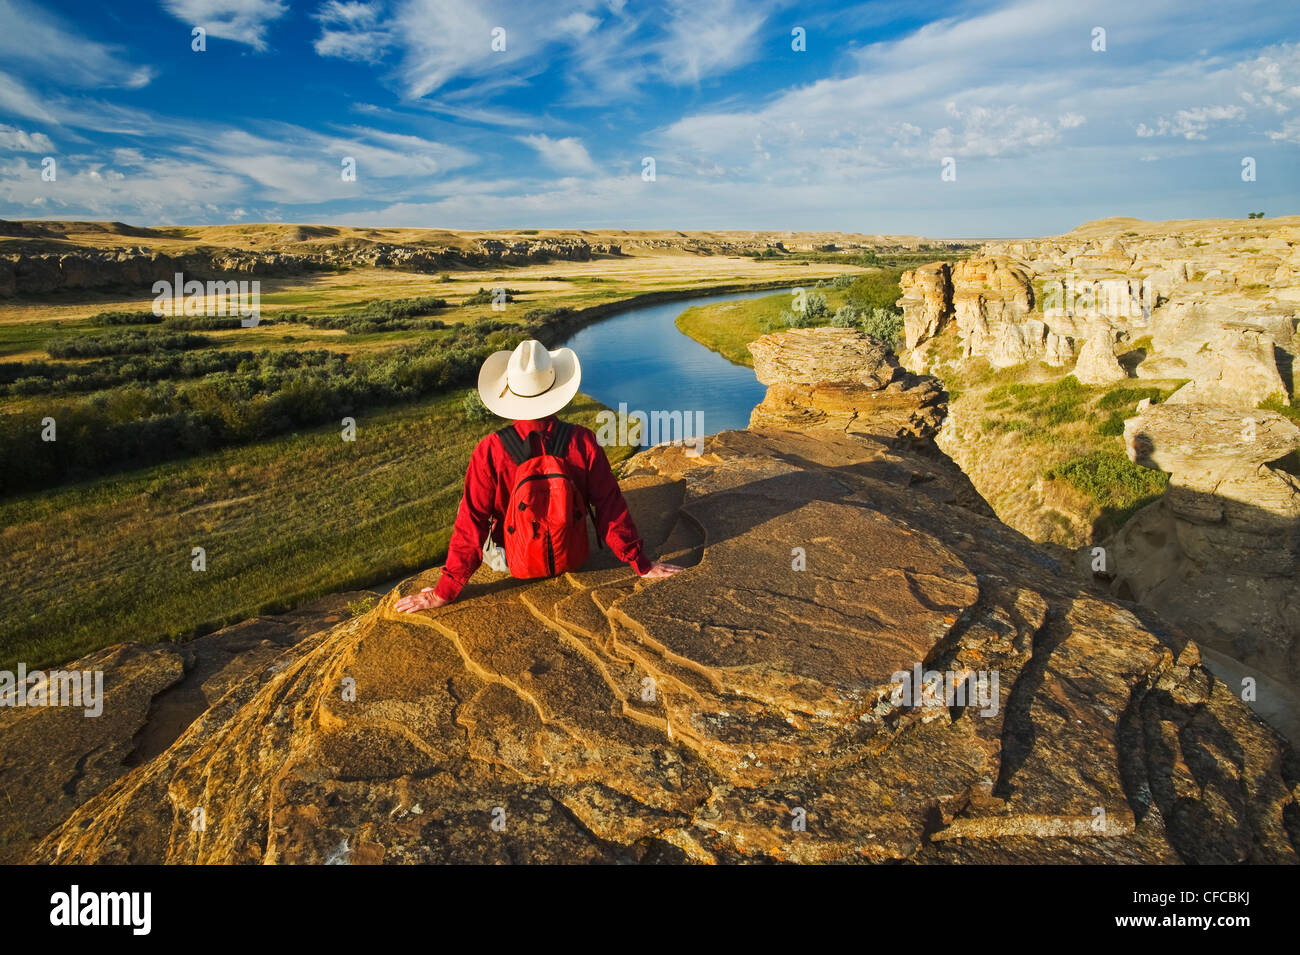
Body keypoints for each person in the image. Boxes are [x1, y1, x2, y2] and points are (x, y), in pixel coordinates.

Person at [396, 339, 683, 613]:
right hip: (572, 556)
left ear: (508, 392)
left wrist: (444, 591)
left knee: (468, 507)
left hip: (514, 563)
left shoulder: (490, 450)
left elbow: (471, 525)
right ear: (555, 388)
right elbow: (610, 506)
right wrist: (642, 564)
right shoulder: (582, 441)